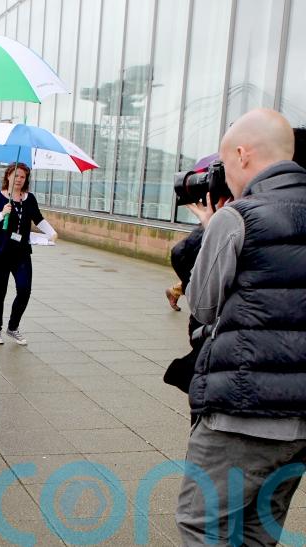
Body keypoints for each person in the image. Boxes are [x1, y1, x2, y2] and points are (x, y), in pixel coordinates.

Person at [175, 109, 306, 546]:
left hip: (242, 411)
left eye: (226, 164)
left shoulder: (238, 218)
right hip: (299, 422)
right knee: (258, 531)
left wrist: (212, 231)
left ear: (243, 155)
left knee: (202, 524)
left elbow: (203, 306)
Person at [0, 162, 56, 346]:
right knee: (0, 291)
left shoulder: (29, 198)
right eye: (15, 175)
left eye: (22, 177)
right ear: (8, 176)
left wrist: (51, 232)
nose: (18, 179)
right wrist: (1, 214)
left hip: (21, 253)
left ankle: (13, 327)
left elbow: (38, 218)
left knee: (24, 290)